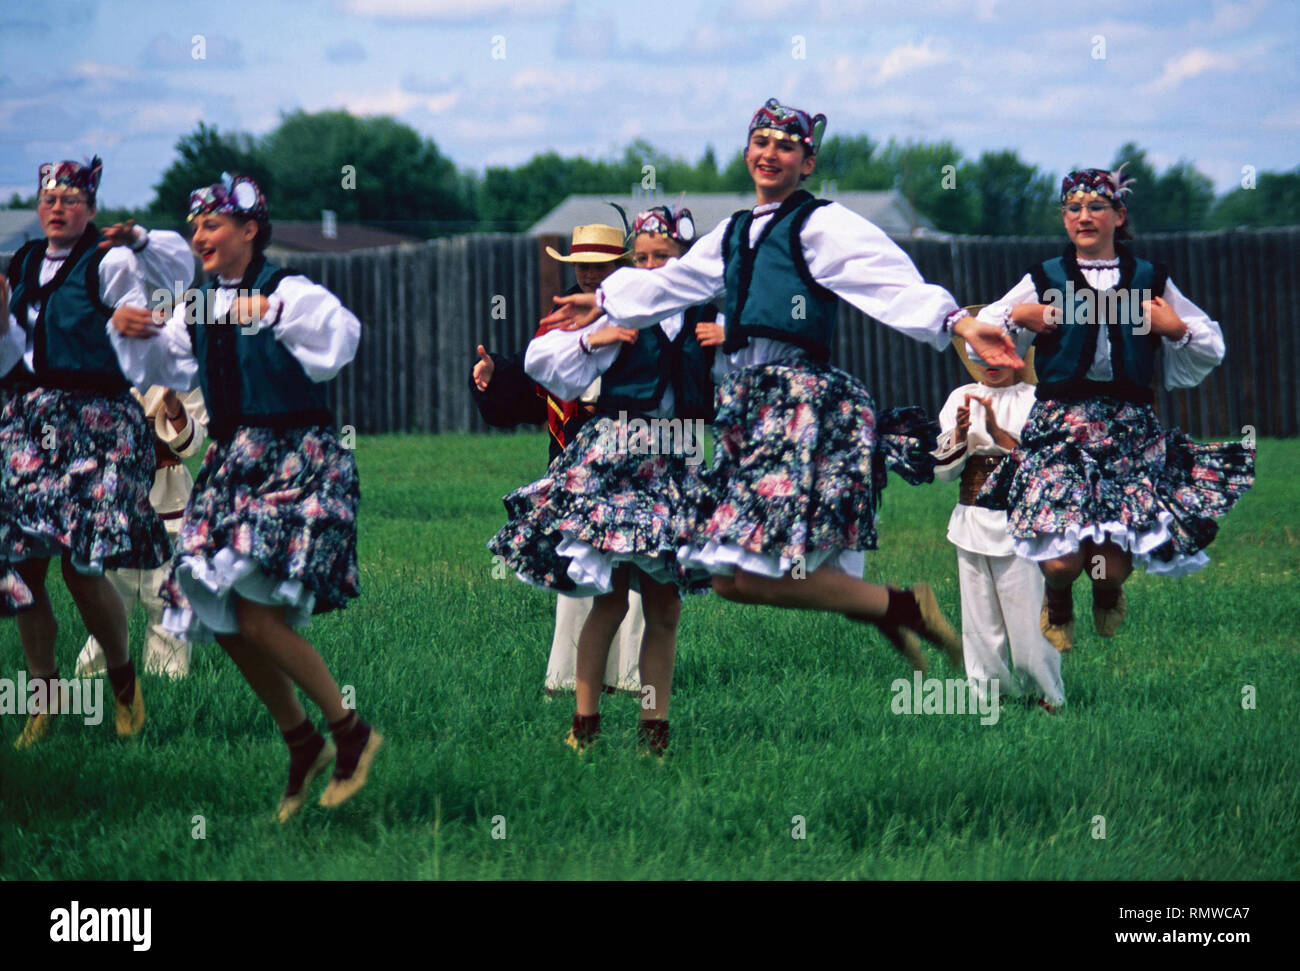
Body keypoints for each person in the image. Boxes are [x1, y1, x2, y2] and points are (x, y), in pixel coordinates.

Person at [542, 98, 1025, 671]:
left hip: (799, 408)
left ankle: (893, 606)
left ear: (807, 162)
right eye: (762, 143)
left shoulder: (821, 224)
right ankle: (891, 606)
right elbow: (671, 283)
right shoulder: (732, 234)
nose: (770, 154)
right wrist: (600, 301)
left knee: (757, 565)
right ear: (747, 152)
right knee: (728, 578)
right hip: (747, 411)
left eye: (785, 146)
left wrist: (956, 321)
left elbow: (886, 280)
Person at [108, 173, 380, 820]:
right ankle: (301, 737)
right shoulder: (198, 304)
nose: (200, 235)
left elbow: (342, 336)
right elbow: (163, 365)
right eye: (195, 225)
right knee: (210, 604)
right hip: (233, 465)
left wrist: (276, 313)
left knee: (256, 614)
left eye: (213, 224)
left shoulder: (286, 288)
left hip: (295, 459)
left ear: (250, 230)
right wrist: (129, 330)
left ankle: (350, 732)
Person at [975, 167, 1255, 651]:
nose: (1085, 216)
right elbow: (986, 331)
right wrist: (1018, 316)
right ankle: (1058, 596)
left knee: (1110, 564)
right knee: (1063, 560)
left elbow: (1208, 344)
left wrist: (1175, 329)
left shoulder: (1148, 279)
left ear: (1118, 215)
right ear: (1064, 218)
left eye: (1096, 207)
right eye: (1074, 208)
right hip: (1060, 428)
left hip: (1127, 435)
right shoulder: (1046, 278)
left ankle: (1106, 592)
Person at [490, 205, 718, 755]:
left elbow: (744, 377)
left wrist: (727, 338)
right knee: (609, 599)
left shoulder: (703, 315)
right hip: (618, 458)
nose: (649, 266)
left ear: (684, 260)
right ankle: (584, 722)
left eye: (661, 256)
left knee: (665, 606)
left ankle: (653, 730)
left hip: (678, 460)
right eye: (639, 258)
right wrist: (594, 339)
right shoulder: (616, 312)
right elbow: (542, 361)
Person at [1, 155, 193, 748]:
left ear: (90, 208)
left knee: (81, 565)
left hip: (98, 423)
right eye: (50, 199)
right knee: (23, 572)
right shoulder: (24, 263)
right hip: (28, 424)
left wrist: (131, 321)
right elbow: (13, 355)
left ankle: (124, 683)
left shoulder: (107, 262)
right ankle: (46, 701)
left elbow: (140, 313)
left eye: (72, 200)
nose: (58, 208)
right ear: (38, 207)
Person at [473, 223, 645, 696]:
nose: (590, 274)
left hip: (633, 454)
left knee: (635, 562)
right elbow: (536, 379)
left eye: (601, 265)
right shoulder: (560, 317)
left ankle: (631, 677)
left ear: (621, 267)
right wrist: (495, 375)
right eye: (582, 265)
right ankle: (567, 678)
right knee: (578, 561)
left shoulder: (642, 313)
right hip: (573, 458)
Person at [932, 334, 1064, 710]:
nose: (989, 362)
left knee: (1028, 616)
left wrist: (998, 434)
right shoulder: (960, 397)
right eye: (980, 354)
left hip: (1022, 519)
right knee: (979, 621)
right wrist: (959, 433)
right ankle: (987, 697)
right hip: (972, 517)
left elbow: (1047, 466)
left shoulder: (1038, 400)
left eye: (999, 352)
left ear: (1019, 354)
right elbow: (943, 471)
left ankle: (1047, 694)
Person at [75, 385, 209, 680]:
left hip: (168, 505)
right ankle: (94, 673)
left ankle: (167, 675)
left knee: (164, 600)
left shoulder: (185, 378)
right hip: (117, 501)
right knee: (111, 599)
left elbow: (191, 446)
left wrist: (173, 406)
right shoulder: (112, 370)